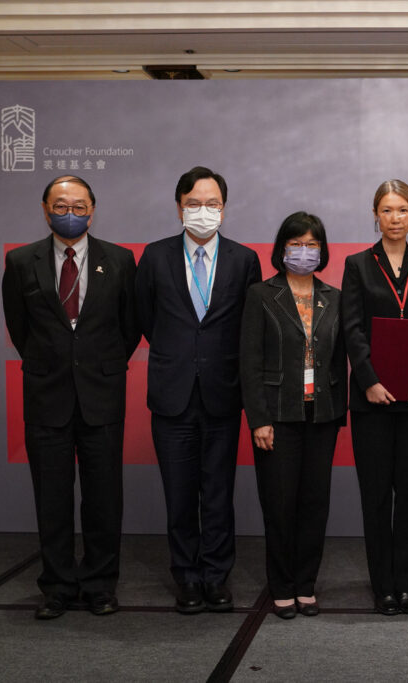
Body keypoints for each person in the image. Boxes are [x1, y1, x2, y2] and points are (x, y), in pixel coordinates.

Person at [2, 175, 139, 619]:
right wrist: (52, 361)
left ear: (92, 211)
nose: (71, 213)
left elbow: (130, 326)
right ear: (45, 209)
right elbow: (19, 328)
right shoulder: (21, 261)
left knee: (103, 496)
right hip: (47, 395)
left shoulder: (119, 260)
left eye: (80, 206)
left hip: (102, 394)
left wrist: (99, 363)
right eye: (61, 205)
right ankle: (57, 586)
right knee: (52, 497)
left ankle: (100, 584)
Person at [135, 166, 262, 614]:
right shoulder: (153, 257)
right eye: (194, 204)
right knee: (180, 494)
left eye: (212, 204)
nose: (202, 212)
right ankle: (186, 577)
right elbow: (146, 320)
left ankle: (216, 575)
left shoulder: (245, 259)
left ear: (224, 209)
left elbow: (248, 329)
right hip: (171, 396)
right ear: (178, 207)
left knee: (218, 492)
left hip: (223, 395)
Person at [341, 179, 408, 616]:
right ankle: (383, 586)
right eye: (387, 210)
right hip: (373, 400)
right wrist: (368, 379)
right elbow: (352, 329)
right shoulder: (357, 266)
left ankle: (407, 585)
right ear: (375, 216)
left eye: (403, 210)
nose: (395, 218)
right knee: (377, 495)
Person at [240, 212, 346, 620]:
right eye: (296, 244)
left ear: (322, 250)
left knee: (314, 503)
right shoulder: (261, 295)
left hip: (322, 415)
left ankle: (306, 584)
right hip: (277, 417)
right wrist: (258, 418)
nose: (304, 252)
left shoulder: (334, 296)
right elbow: (249, 361)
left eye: (312, 245)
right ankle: (281, 585)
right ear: (282, 248)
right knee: (280, 503)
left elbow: (341, 358)